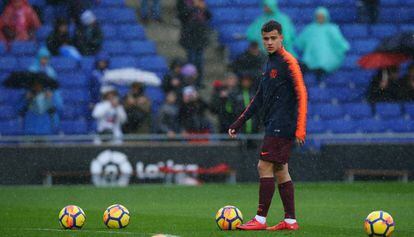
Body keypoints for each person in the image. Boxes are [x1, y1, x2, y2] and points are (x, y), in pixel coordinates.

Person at [228, 20, 307, 231]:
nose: (269, 42)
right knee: (281, 170)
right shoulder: (270, 62)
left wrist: (301, 128)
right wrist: (239, 122)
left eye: (273, 38)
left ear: (282, 37)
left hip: (283, 124)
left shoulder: (289, 62)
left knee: (263, 166)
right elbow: (260, 97)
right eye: (266, 39)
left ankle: (260, 219)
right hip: (275, 122)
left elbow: (302, 93)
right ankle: (290, 221)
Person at [295, 7, 350, 81]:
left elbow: (339, 41)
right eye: (318, 16)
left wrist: (343, 48)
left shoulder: (332, 28)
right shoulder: (310, 29)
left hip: (327, 59)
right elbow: (300, 43)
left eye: (322, 16)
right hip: (310, 59)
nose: (320, 18)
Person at [177, 0, 211, 84]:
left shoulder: (201, 3)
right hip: (189, 36)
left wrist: (204, 8)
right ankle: (190, 81)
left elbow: (209, 16)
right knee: (191, 60)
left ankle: (199, 81)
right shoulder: (183, 2)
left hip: (201, 36)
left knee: (200, 61)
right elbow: (182, 16)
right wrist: (194, 7)